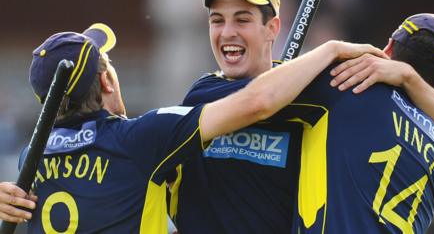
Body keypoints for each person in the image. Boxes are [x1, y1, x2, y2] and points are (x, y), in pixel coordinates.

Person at [0, 24, 385, 232]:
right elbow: (256, 102)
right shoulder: (141, 138)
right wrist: (331, 49)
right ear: (106, 82)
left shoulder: (29, 161)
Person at [169, 0, 434, 233]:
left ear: (273, 28)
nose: (228, 31)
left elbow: (261, 99)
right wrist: (409, 77)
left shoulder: (344, 92)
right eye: (217, 20)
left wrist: (334, 50)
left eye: (243, 19)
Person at [290, 13, 434, 233]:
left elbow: (257, 93)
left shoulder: (346, 84)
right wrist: (409, 77)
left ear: (388, 48)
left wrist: (332, 50)